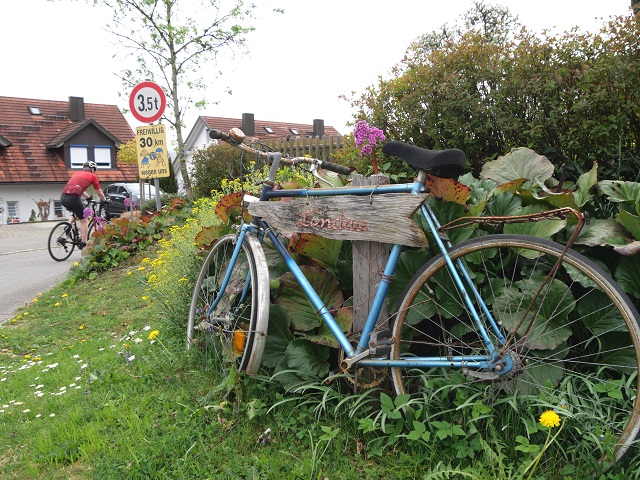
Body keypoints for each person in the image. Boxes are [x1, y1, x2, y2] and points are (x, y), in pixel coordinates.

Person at [60, 161, 109, 249]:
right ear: (92, 169)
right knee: (84, 220)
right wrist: (105, 200)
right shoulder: (92, 176)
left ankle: (68, 226)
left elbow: (78, 188)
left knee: (75, 211)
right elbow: (99, 192)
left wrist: (88, 197)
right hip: (73, 199)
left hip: (63, 197)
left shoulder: (76, 173)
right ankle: (83, 243)